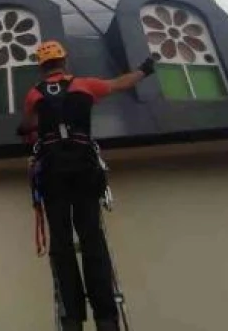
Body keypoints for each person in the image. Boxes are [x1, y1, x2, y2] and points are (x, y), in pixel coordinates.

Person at [17, 40, 155, 331]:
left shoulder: (33, 95)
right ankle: (105, 315)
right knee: (92, 238)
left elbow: (27, 126)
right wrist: (144, 71)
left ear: (42, 67)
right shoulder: (84, 86)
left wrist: (30, 130)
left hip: (52, 173)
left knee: (62, 243)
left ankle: (72, 317)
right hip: (83, 168)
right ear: (64, 62)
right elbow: (120, 84)